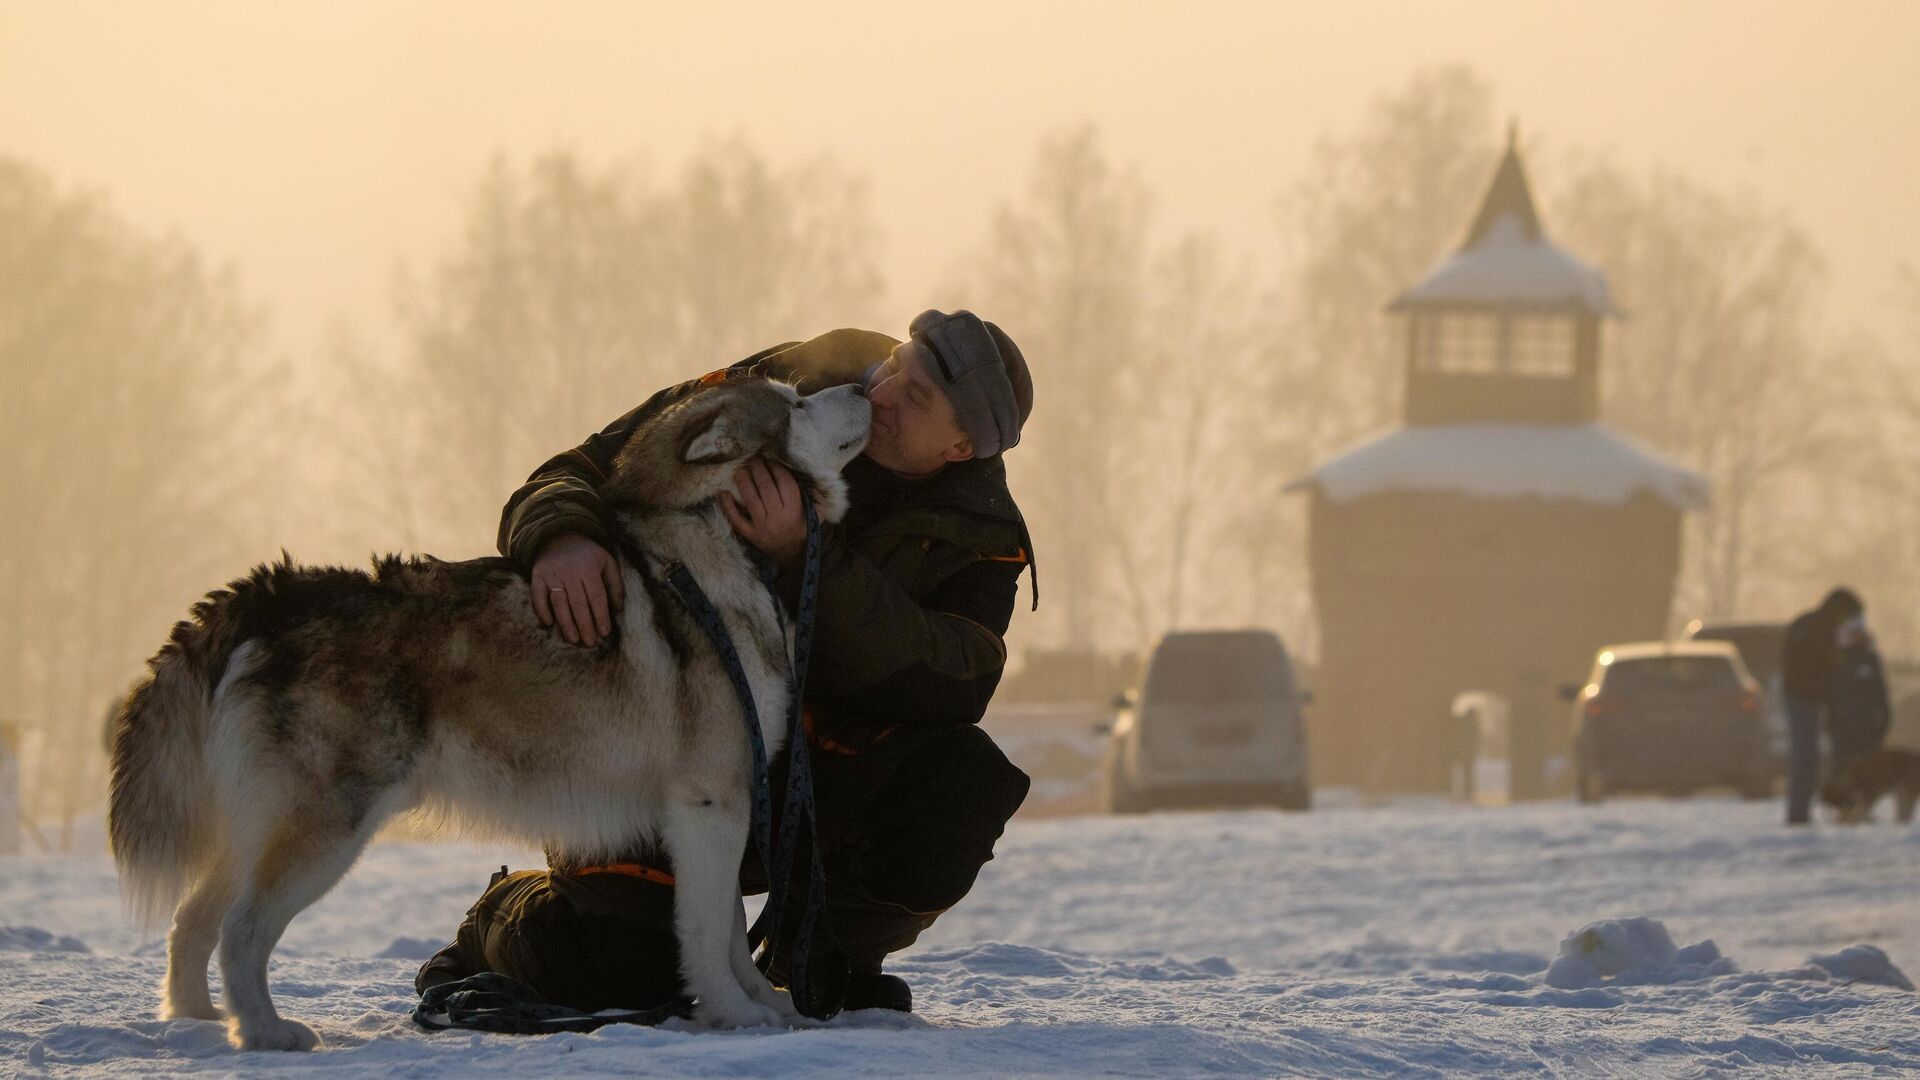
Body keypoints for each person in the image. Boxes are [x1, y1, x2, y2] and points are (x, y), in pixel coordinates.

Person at [414, 309, 1036, 1017]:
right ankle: (502, 914)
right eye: (899, 364)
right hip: (655, 748)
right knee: (625, 969)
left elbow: (951, 681)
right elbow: (584, 469)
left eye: (917, 397)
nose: (883, 392)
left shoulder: (981, 534)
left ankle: (828, 954)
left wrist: (808, 556)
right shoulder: (774, 390)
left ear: (960, 448)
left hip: (816, 775)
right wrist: (561, 537)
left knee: (963, 782)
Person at [1780, 587, 1864, 825]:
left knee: (1805, 756)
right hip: (1806, 698)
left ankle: (1801, 811)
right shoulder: (1824, 630)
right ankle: (1799, 815)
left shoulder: (1806, 623)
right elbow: (1824, 668)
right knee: (1807, 757)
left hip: (1798, 696)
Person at [1826, 612, 1892, 768]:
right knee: (1843, 771)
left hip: (1868, 728)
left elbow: (1880, 692)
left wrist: (1883, 720)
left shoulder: (1870, 659)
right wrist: (1831, 723)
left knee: (1868, 770)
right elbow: (1832, 695)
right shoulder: (1838, 660)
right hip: (1843, 729)